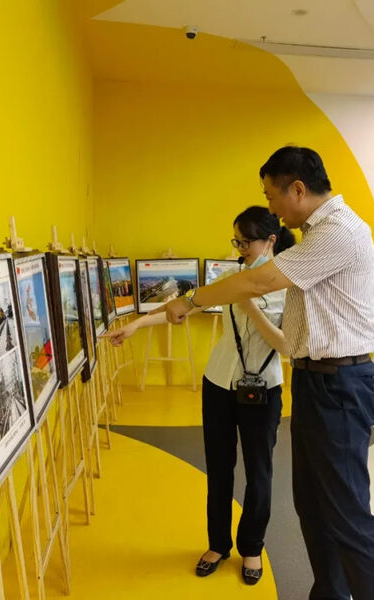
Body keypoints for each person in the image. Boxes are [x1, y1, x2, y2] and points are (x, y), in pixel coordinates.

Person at [161, 146, 374, 600]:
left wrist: (189, 300)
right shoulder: (315, 234)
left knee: (346, 514)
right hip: (315, 379)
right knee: (313, 504)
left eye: (272, 196)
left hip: (339, 384)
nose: (271, 208)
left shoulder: (339, 232)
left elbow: (259, 281)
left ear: (298, 189)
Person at [105, 206, 295, 585]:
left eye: (246, 242)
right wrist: (138, 324)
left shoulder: (289, 285)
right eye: (236, 242)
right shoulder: (231, 278)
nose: (240, 250)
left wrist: (250, 305)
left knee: (259, 473)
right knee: (219, 468)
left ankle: (252, 547)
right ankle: (218, 544)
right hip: (219, 384)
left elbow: (287, 345)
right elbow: (186, 305)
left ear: (270, 241)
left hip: (264, 389)